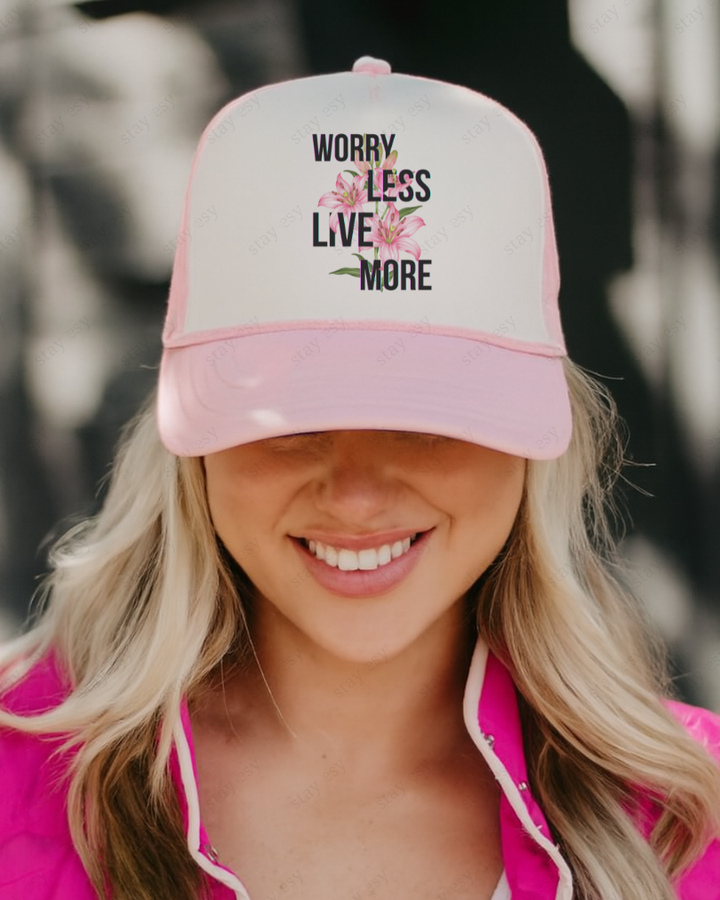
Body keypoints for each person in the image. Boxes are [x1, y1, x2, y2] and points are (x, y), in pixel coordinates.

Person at [1, 55, 719, 900]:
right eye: (292, 422)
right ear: (192, 447)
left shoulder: (692, 808)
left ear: (533, 445)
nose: (355, 494)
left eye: (425, 419)